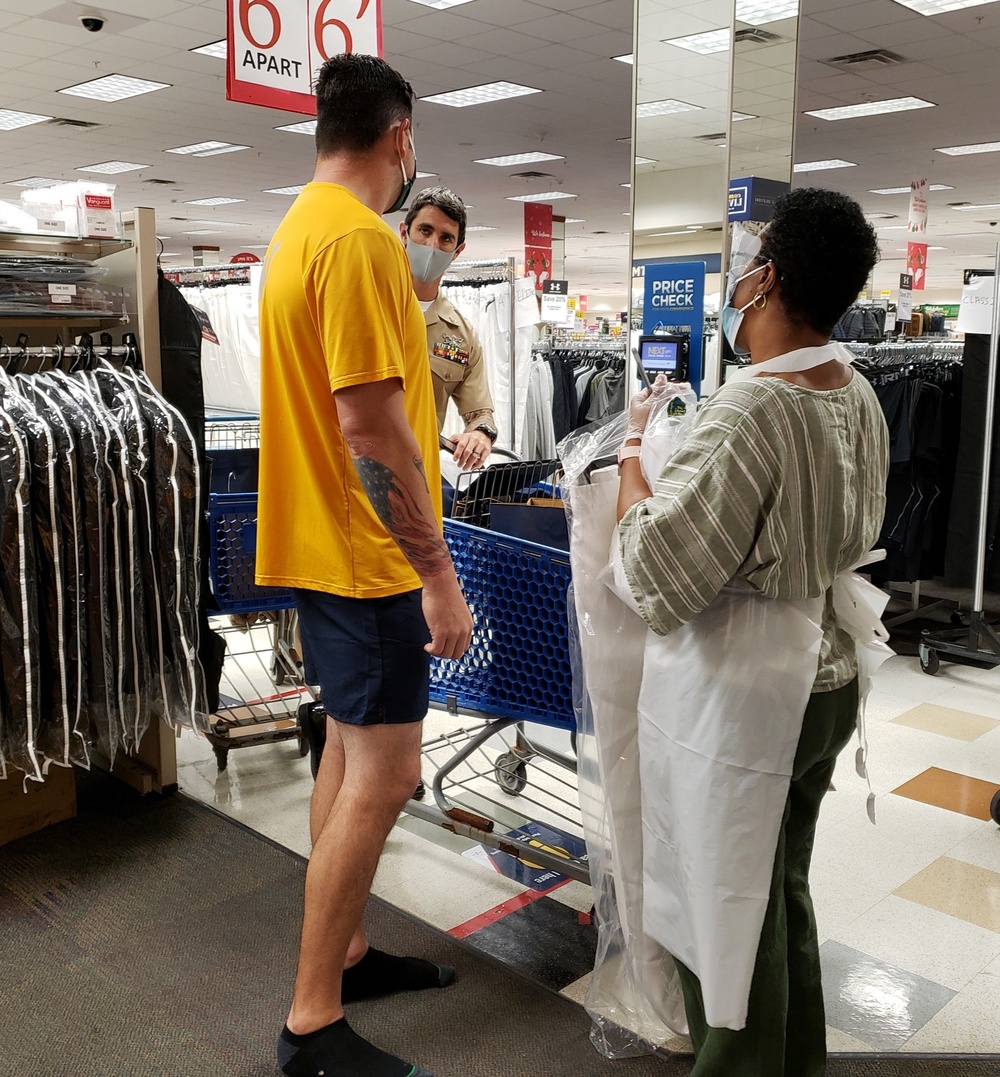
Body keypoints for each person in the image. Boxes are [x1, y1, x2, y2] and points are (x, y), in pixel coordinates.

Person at [615, 188, 889, 1076]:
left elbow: (657, 570)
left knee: (723, 913)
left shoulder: (748, 411)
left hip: (748, 704)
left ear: (766, 278)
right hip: (829, 675)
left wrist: (631, 462)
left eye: (749, 260)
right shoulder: (858, 396)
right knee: (779, 893)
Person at [255, 53, 474, 1077]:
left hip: (318, 547)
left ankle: (338, 958)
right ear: (400, 139)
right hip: (368, 559)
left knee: (347, 757)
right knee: (386, 776)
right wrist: (437, 574)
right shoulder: (358, 243)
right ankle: (312, 1022)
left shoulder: (296, 227)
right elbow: (372, 430)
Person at [399, 187, 498, 471]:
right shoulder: (367, 307)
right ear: (404, 233)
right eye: (425, 231)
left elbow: (481, 413)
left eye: (446, 239)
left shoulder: (461, 336)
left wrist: (481, 434)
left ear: (458, 251)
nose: (432, 246)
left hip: (417, 474)